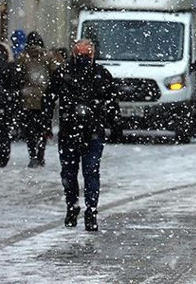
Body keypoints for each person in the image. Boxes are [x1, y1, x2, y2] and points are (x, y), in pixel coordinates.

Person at [45, 40, 120, 231]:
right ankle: (74, 207)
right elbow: (48, 99)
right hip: (72, 131)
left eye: (87, 54)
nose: (84, 58)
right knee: (72, 173)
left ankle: (90, 210)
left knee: (89, 172)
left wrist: (112, 123)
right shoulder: (65, 74)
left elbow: (111, 103)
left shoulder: (99, 75)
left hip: (90, 132)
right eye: (81, 54)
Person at [13, 32, 59, 167]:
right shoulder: (48, 56)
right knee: (43, 128)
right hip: (45, 98)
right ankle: (41, 154)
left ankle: (32, 155)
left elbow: (18, 76)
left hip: (28, 98)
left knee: (30, 130)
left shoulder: (23, 56)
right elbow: (55, 74)